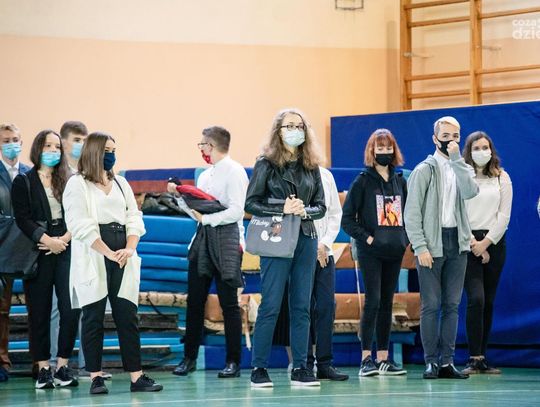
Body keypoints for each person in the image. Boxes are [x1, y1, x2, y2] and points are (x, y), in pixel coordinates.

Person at [63, 132, 162, 394]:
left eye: (114, 150)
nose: (111, 155)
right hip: (94, 252)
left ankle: (136, 377)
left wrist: (130, 248)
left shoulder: (121, 183)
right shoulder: (77, 184)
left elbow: (134, 217)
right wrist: (107, 252)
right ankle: (95, 376)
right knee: (93, 316)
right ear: (94, 151)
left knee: (127, 316)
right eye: (107, 150)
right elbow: (79, 224)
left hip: (123, 254)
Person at [245, 108, 326, 388]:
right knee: (271, 304)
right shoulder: (266, 163)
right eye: (289, 125)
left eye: (299, 126)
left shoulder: (311, 165)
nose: (295, 130)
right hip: (276, 237)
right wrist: (282, 207)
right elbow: (251, 203)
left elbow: (321, 206)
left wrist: (305, 210)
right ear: (278, 131)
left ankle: (301, 367)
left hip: (306, 237)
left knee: (302, 306)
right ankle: (259, 368)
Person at [169, 126, 248, 378]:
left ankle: (233, 361)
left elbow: (236, 211)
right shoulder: (204, 176)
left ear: (211, 146)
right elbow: (197, 212)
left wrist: (208, 219)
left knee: (229, 304)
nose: (201, 148)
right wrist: (179, 197)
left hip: (227, 243)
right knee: (195, 301)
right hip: (202, 241)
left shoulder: (235, 172)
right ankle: (189, 357)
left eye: (202, 144)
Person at [404, 116, 478, 380]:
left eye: (455, 136)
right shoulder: (424, 170)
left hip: (457, 242)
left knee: (452, 305)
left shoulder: (462, 167)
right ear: (435, 139)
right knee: (431, 305)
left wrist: (457, 159)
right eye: (445, 136)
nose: (451, 141)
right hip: (431, 244)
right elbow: (412, 214)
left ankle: (447, 361)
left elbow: (470, 192)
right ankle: (430, 362)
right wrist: (420, 247)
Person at [11, 130, 80, 389]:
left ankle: (62, 365)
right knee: (39, 312)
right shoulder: (24, 181)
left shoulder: (69, 180)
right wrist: (47, 240)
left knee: (71, 309)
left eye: (57, 146)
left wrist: (65, 239)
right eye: (47, 145)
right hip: (38, 249)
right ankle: (43, 368)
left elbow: (77, 214)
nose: (53, 150)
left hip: (67, 245)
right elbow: (22, 218)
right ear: (37, 149)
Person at [341, 129, 408, 377]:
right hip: (371, 252)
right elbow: (347, 220)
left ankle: (383, 358)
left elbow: (409, 214)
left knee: (387, 303)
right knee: (373, 301)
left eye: (388, 148)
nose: (384, 152)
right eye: (380, 148)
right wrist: (368, 238)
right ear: (372, 151)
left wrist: (404, 239)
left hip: (395, 250)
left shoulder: (400, 181)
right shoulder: (362, 181)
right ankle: (365, 359)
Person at [49, 120, 100, 378]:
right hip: (61, 245)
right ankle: (55, 362)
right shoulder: (56, 173)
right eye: (77, 140)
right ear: (64, 142)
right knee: (60, 308)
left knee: (87, 305)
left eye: (85, 140)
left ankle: (89, 365)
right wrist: (64, 238)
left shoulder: (91, 172)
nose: (81, 144)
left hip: (87, 245)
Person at [461, 131, 512, 374]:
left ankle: (483, 358)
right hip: (467, 243)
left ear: (491, 150)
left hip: (495, 243)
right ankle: (473, 357)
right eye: (476, 148)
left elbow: (504, 216)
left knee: (488, 301)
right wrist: (474, 243)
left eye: (485, 147)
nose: (482, 152)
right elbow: (458, 212)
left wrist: (486, 243)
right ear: (469, 152)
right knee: (476, 299)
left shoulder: (502, 177)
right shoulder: (463, 177)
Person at [307, 165, 348, 380]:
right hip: (299, 253)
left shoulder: (326, 175)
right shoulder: (288, 172)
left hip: (325, 252)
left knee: (326, 307)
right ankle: (304, 363)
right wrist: (311, 246)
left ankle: (325, 363)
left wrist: (324, 243)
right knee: (302, 308)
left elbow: (335, 214)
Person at [0, 123, 31, 383]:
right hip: (2, 249)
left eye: (15, 139)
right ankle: (2, 362)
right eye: (6, 140)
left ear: (22, 142)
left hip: (30, 247)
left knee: (39, 308)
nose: (11, 144)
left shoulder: (30, 173)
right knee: (2, 309)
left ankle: (41, 362)